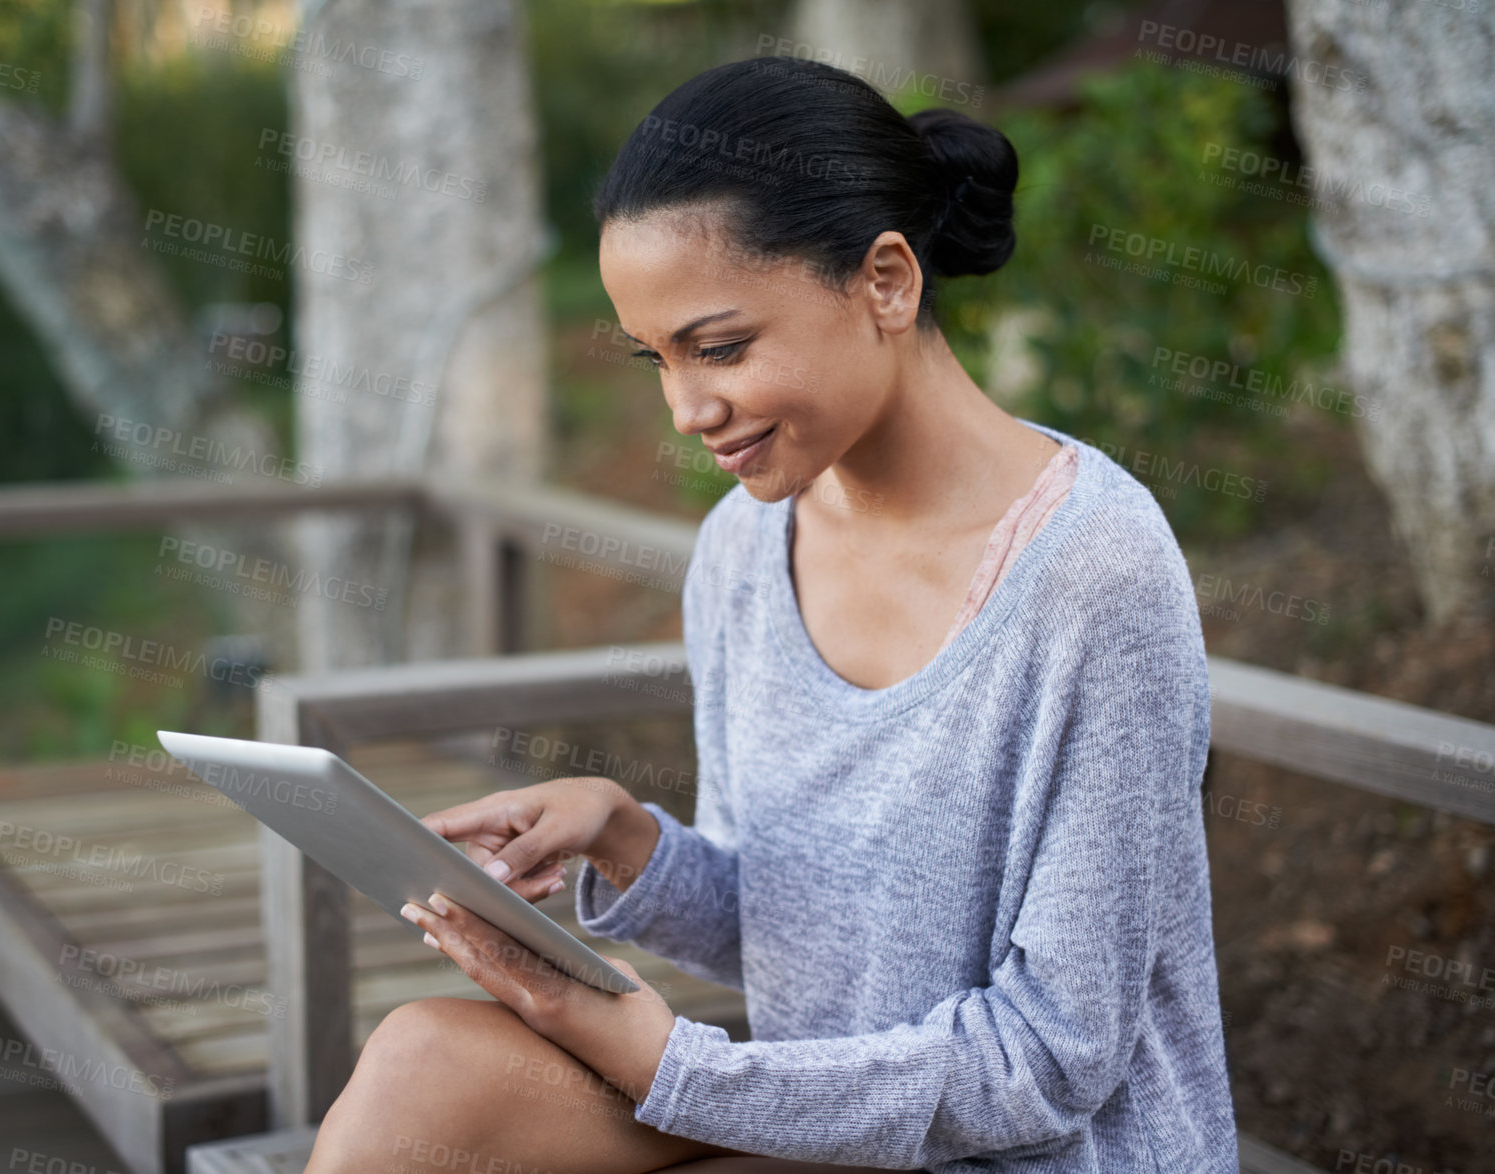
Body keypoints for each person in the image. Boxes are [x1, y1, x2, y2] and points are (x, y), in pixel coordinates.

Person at [305, 54, 1239, 1174]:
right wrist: (622, 832)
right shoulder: (745, 551)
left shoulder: (1095, 575)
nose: (685, 409)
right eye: (656, 358)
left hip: (1040, 1153)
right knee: (422, 1062)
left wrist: (670, 1067)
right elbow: (790, 931)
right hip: (835, 1129)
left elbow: (1050, 1061)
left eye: (721, 346)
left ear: (886, 281)